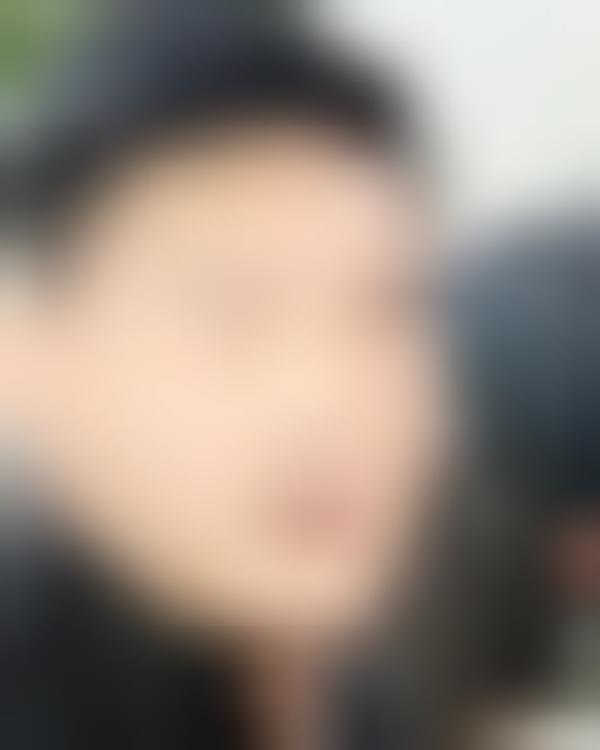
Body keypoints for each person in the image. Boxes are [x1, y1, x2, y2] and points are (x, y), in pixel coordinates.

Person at [3, 6, 448, 749]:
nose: (321, 398)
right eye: (231, 317)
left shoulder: (348, 690)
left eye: (382, 310)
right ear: (38, 362)